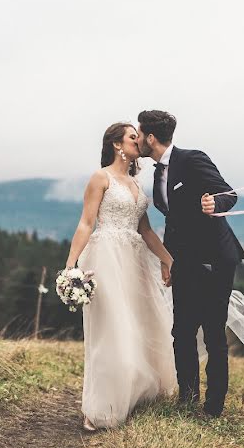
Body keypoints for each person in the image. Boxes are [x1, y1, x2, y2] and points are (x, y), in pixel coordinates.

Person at [64, 122, 176, 431]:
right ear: (116, 144)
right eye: (131, 136)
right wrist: (71, 266)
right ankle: (99, 408)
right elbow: (86, 223)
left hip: (135, 259)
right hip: (106, 258)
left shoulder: (136, 186)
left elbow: (147, 232)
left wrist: (169, 260)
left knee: (138, 326)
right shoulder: (101, 178)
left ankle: (132, 395)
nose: (137, 140)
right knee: (111, 329)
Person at [136, 110, 244, 417]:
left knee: (213, 333)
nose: (136, 138)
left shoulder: (192, 159)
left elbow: (229, 193)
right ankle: (187, 399)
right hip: (183, 261)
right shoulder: (158, 172)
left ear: (150, 138)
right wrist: (166, 260)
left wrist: (216, 204)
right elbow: (173, 220)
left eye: (139, 133)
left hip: (214, 259)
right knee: (182, 332)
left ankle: (213, 407)